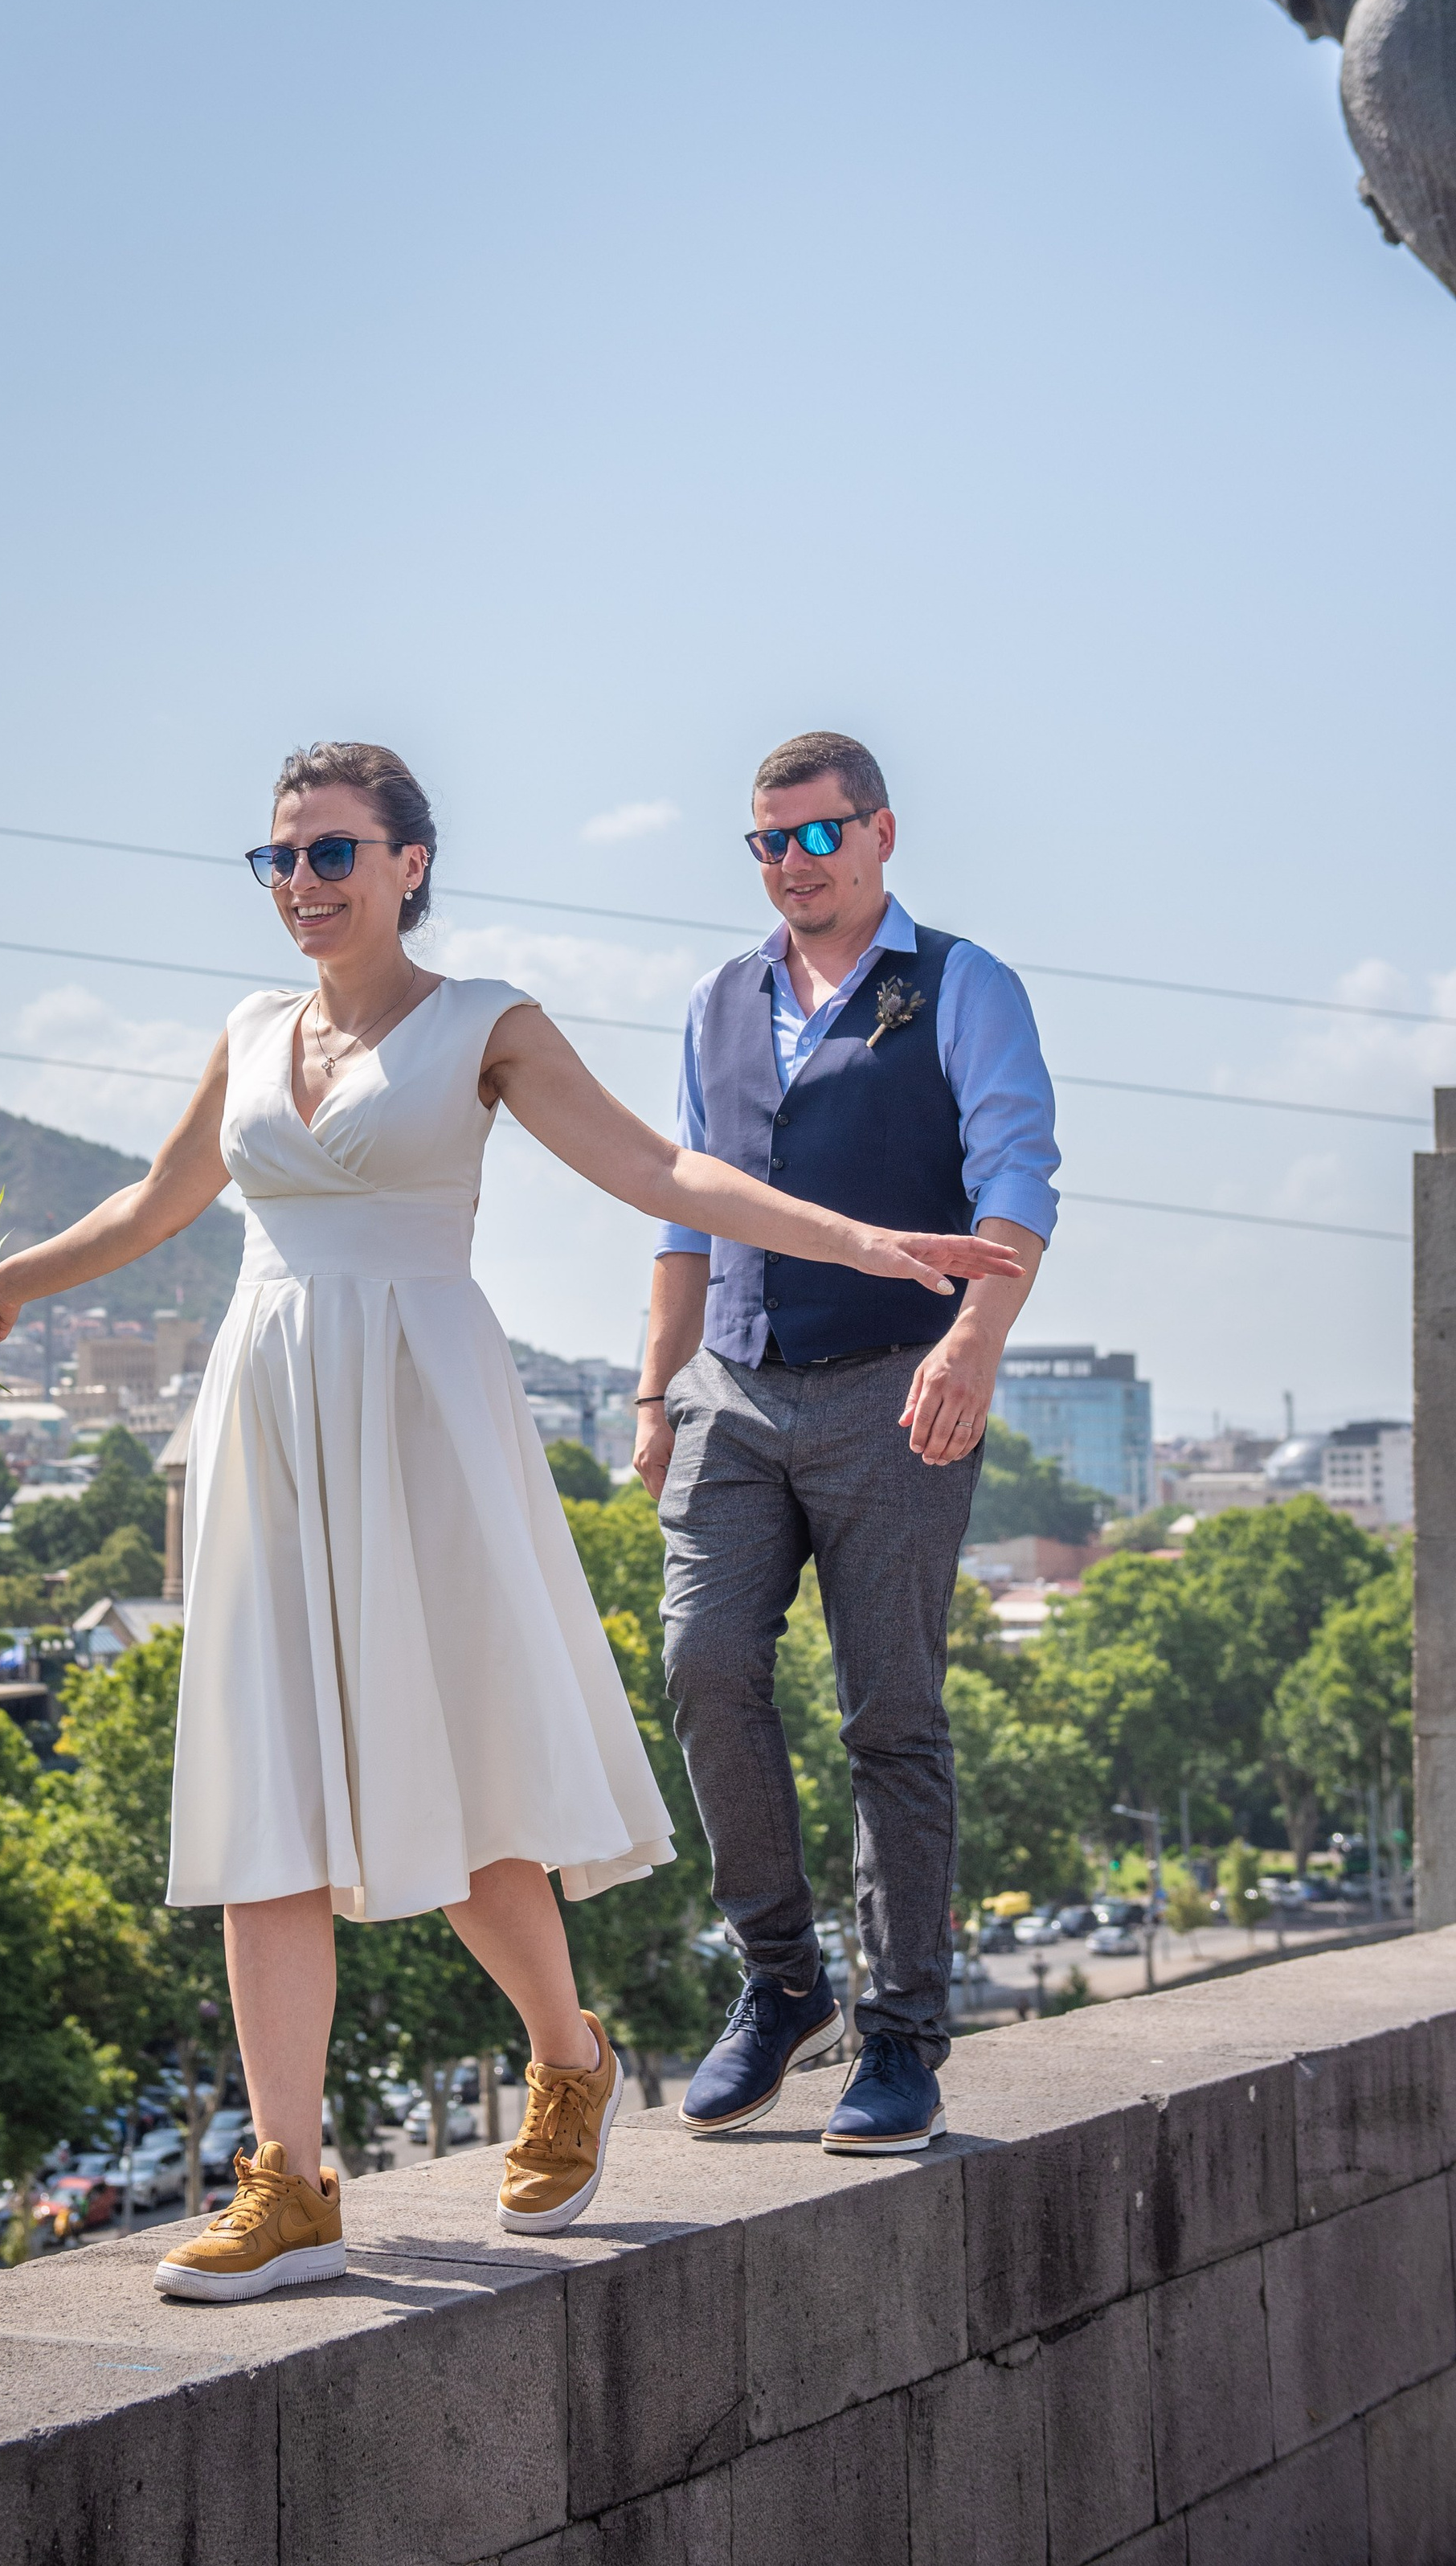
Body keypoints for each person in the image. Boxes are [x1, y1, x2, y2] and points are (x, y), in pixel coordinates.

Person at [0, 740, 1021, 2298]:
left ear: (408, 864)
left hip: (421, 1417)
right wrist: (0, 1282)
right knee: (266, 1793)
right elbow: (155, 1202)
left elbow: (662, 1169)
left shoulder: (484, 1025)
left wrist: (858, 1239)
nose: (302, 884)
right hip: (269, 1417)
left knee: (458, 1791)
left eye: (332, 853)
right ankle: (290, 2184)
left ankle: (565, 2050)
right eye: (278, 859)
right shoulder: (247, 1034)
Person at [637, 730, 1057, 2155]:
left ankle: (902, 2037)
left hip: (898, 1391)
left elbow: (1017, 1179)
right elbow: (688, 1211)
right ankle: (781, 1978)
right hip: (735, 1392)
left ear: (881, 834)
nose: (793, 866)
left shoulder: (959, 986)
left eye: (818, 836)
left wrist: (971, 1345)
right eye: (767, 842)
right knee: (701, 1663)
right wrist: (653, 1396)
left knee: (890, 1714)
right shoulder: (719, 999)